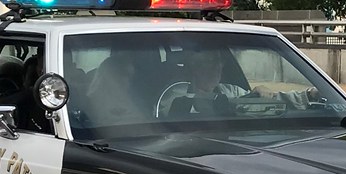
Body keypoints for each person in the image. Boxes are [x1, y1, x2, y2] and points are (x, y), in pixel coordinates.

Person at [157, 47, 319, 116]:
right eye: (210, 62)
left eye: (220, 62)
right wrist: (242, 101)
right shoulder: (175, 92)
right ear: (194, 66)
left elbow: (273, 101)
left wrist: (309, 95)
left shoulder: (230, 90)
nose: (218, 67)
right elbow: (202, 106)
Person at [85, 54, 141, 125]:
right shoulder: (96, 102)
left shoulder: (131, 98)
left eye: (131, 77)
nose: (129, 81)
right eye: (126, 75)